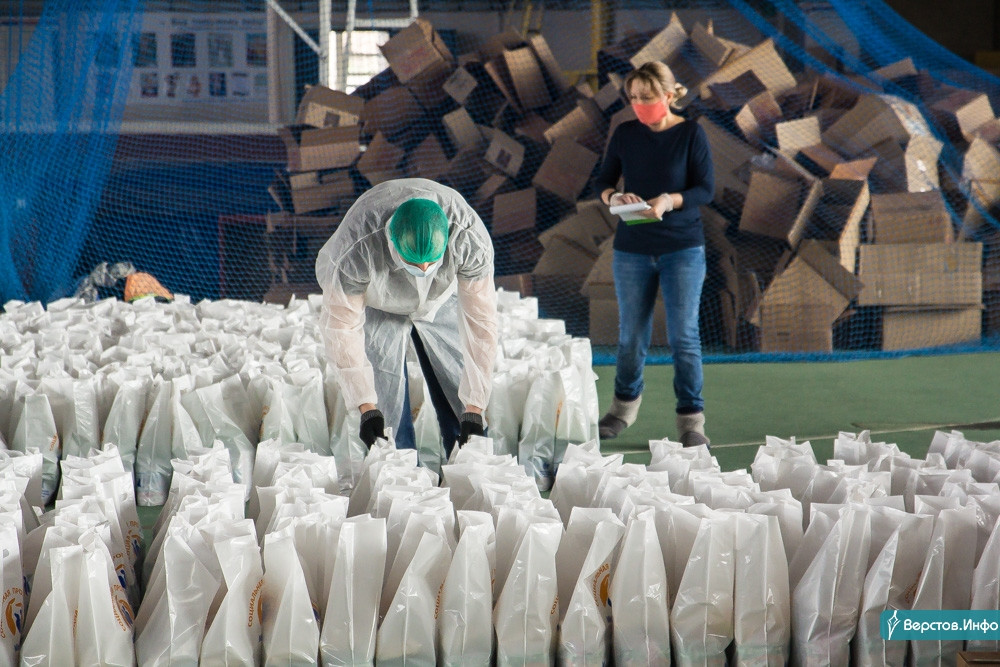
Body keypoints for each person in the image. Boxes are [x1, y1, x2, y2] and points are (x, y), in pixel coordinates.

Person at [315, 178, 498, 456]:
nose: (423, 269)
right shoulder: (356, 248)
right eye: (413, 263)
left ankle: (464, 462)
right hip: (380, 300)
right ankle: (401, 468)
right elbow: (342, 327)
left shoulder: (469, 239)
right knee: (385, 405)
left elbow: (481, 323)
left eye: (431, 263)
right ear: (391, 241)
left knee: (457, 380)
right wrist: (365, 406)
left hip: (441, 297)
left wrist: (475, 407)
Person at [593, 61, 714, 447]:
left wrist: (668, 200)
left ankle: (691, 421)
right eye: (633, 98)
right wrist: (615, 197)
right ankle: (621, 410)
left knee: (684, 337)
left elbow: (705, 189)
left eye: (647, 97)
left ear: (668, 95)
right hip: (632, 249)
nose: (639, 105)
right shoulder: (625, 133)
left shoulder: (691, 133)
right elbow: (602, 181)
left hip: (682, 248)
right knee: (631, 336)